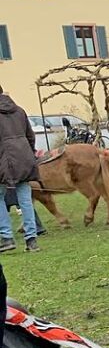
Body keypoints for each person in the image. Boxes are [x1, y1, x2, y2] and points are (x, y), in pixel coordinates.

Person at [0, 85, 40, 252]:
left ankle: (6, 237)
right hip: (24, 158)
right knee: (25, 200)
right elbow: (31, 136)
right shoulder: (20, 111)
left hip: (4, 159)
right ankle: (32, 240)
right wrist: (29, 154)